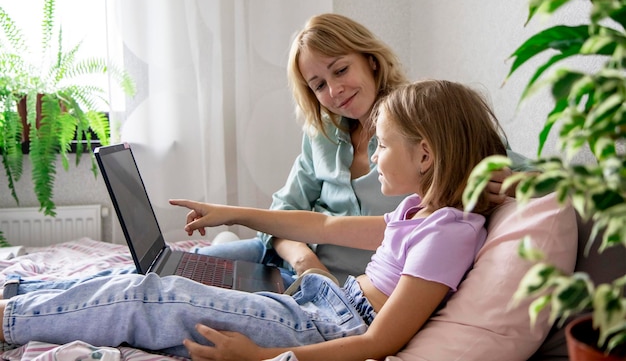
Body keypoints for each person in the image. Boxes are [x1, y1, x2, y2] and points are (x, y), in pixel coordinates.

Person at [1, 79, 509, 361]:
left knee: (156, 296)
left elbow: (380, 343)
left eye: (385, 145)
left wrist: (263, 360)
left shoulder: (448, 231)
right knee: (148, 276)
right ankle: (17, 294)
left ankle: (9, 321)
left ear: (425, 155)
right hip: (325, 299)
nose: (375, 156)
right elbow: (324, 227)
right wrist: (234, 214)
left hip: (327, 328)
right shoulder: (416, 211)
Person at [195, 13, 530, 287]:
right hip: (286, 261)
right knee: (167, 271)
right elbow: (284, 210)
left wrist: (512, 180)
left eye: (341, 70)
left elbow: (536, 172)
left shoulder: (423, 119)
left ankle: (223, 244)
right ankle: (220, 244)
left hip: (342, 290)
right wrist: (305, 261)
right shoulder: (321, 135)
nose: (335, 90)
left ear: (370, 60)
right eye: (319, 85)